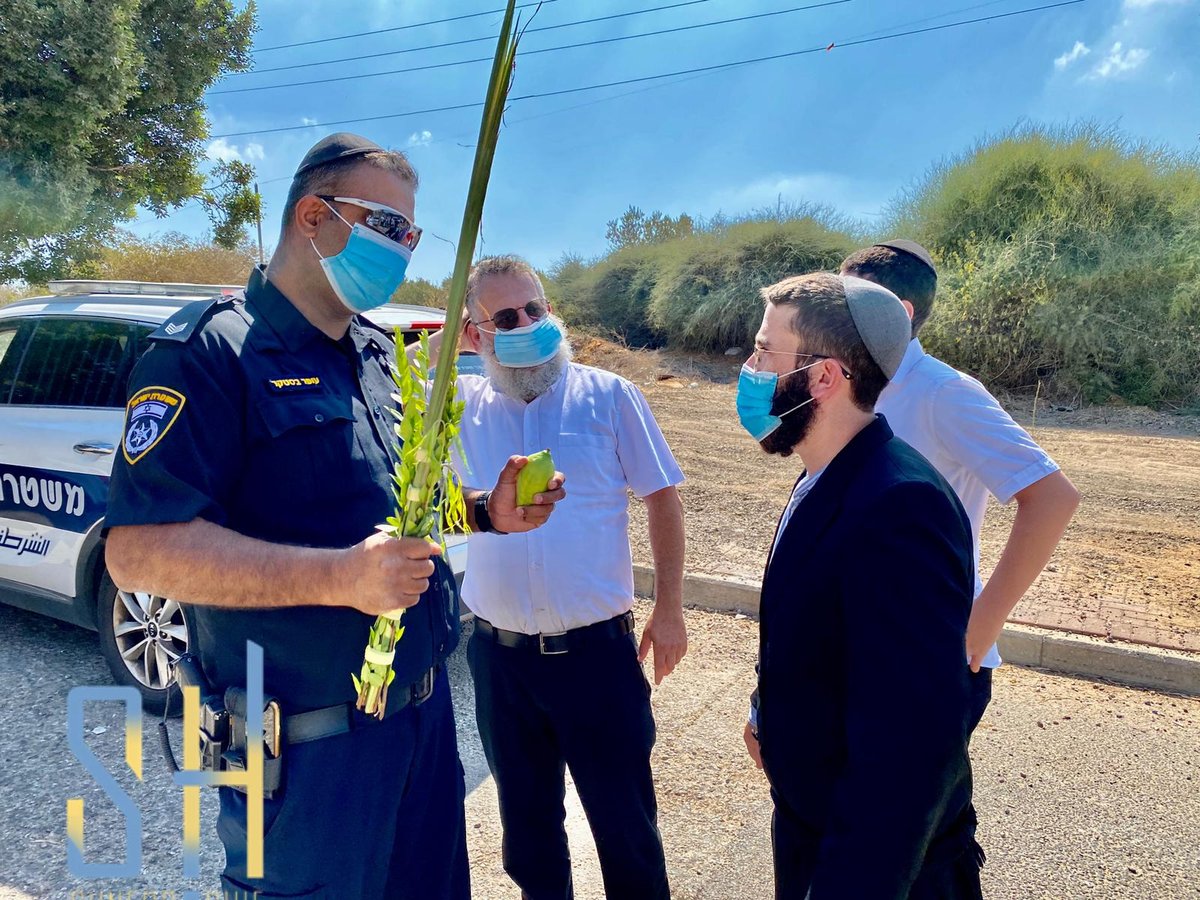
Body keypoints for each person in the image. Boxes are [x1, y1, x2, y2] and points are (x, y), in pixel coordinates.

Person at [104, 133, 565, 899]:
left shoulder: (376, 354)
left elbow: (392, 511)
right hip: (306, 759)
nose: (405, 249)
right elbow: (140, 552)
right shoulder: (208, 353)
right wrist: (340, 579)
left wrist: (485, 512)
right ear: (313, 217)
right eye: (388, 227)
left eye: (411, 234)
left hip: (419, 731)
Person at [739, 273, 985, 898]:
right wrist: (768, 711)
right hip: (812, 831)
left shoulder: (900, 508)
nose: (751, 367)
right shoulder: (830, 474)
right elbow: (825, 637)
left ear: (825, 377)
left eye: (767, 351)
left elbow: (911, 751)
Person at [452, 255, 686, 900]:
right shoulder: (456, 408)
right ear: (475, 335)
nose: (528, 323)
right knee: (528, 836)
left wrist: (670, 610)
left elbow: (662, 497)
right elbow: (429, 496)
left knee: (626, 830)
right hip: (501, 663)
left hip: (596, 657)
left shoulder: (609, 395)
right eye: (506, 317)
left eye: (536, 309)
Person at [840, 240, 1080, 723]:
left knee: (905, 801)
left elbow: (1053, 498)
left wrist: (981, 626)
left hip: (926, 654)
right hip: (858, 639)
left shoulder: (943, 393)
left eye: (847, 306)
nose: (832, 317)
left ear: (900, 314)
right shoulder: (853, 387)